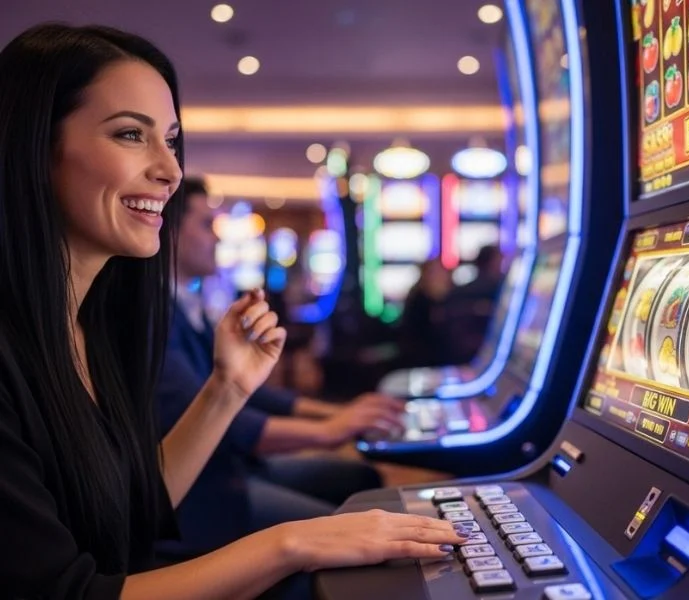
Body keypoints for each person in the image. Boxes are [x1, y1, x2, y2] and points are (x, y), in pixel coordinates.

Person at [0, 23, 468, 600]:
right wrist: (290, 543)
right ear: (33, 148)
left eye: (171, 140)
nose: (171, 171)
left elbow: (135, 514)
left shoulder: (91, 327)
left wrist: (229, 385)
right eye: (130, 134)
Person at [159, 177, 407, 552]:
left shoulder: (186, 305)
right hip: (202, 493)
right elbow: (214, 417)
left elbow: (251, 395)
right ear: (170, 231)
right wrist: (328, 431)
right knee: (347, 533)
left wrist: (334, 413)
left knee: (361, 478)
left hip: (233, 467)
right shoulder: (154, 315)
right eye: (207, 225)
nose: (218, 238)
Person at [397, 258, 452, 367]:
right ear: (425, 275)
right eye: (435, 273)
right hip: (421, 359)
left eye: (442, 272)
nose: (441, 276)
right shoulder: (418, 300)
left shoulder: (451, 299)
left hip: (444, 360)